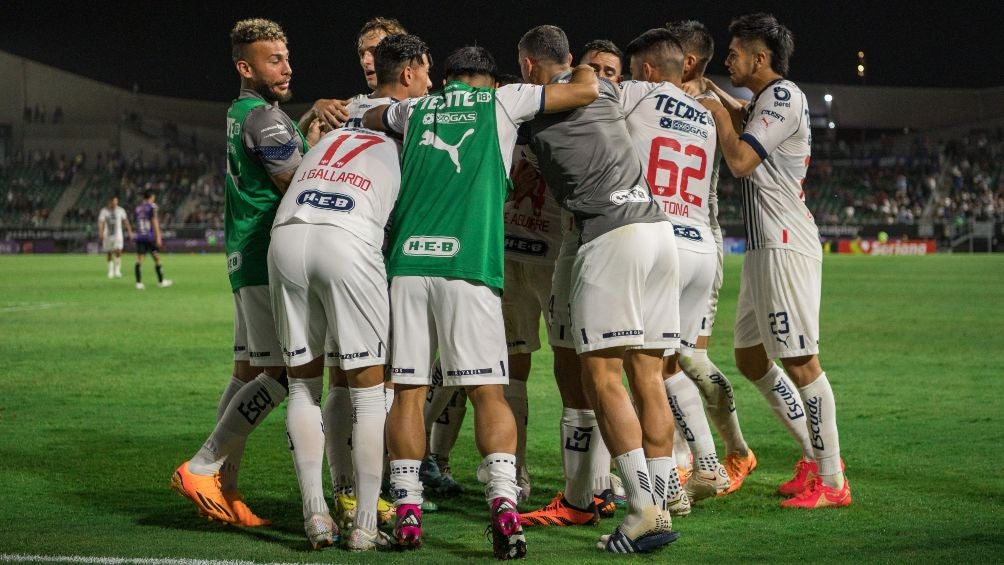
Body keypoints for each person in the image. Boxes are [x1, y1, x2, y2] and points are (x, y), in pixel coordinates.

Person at [363, 44, 598, 559]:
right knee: (490, 393)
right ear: (490, 80)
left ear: (446, 80)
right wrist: (579, 63)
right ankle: (504, 509)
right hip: (468, 265)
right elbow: (585, 88)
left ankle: (406, 510)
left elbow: (375, 110)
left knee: (408, 391)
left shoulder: (415, 109)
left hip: (407, 264)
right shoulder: (503, 101)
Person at [517, 24, 681, 553]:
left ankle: (641, 511)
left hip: (610, 234)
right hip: (660, 231)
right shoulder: (606, 88)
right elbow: (588, 77)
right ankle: (662, 495)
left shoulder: (526, 105)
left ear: (526, 67)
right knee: (648, 373)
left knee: (602, 375)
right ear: (571, 58)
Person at [269, 32, 432, 552]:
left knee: (301, 387)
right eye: (426, 73)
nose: (431, 84)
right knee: (367, 392)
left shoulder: (339, 113)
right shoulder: (419, 118)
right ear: (408, 74)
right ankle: (364, 524)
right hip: (349, 236)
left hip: (289, 230)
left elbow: (298, 148)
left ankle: (316, 515)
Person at [697, 12, 850, 508]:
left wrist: (716, 112)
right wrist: (711, 91)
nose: (728, 59)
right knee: (749, 355)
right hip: (765, 248)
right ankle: (811, 453)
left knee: (802, 361)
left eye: (735, 53)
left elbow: (741, 159)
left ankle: (832, 480)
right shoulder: (765, 99)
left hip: (785, 241)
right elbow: (743, 111)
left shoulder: (784, 96)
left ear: (761, 58)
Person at [171, 17, 309, 533]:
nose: (286, 67)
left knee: (247, 372)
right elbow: (295, 183)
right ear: (245, 67)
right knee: (281, 375)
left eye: (286, 56)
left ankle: (226, 488)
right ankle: (202, 466)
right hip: (261, 255)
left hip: (243, 253)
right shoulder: (265, 120)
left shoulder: (243, 113)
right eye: (274, 60)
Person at [620, 28, 734, 504]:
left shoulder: (636, 95)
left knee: (644, 367)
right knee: (671, 363)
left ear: (645, 70)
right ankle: (707, 466)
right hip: (700, 245)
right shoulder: (707, 115)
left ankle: (668, 486)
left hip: (660, 239)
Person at [665, 19, 757, 495]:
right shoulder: (678, 93)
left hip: (702, 236)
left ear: (688, 60)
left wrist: (727, 102)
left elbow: (743, 125)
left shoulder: (710, 102)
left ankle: (736, 449)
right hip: (666, 240)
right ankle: (686, 456)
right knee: (667, 356)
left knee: (689, 358)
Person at [133, 190, 171, 289]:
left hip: (140, 236)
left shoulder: (138, 208)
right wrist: (158, 236)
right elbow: (154, 221)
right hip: (150, 237)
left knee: (139, 260)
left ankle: (138, 283)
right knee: (157, 258)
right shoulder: (152, 207)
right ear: (151, 197)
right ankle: (161, 281)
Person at [98, 195, 132, 279]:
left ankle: (117, 270)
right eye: (114, 201)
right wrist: (101, 232)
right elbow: (101, 222)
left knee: (118, 251)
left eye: (116, 201)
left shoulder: (120, 210)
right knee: (109, 252)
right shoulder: (104, 211)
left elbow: (125, 221)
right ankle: (110, 271)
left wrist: (130, 231)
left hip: (118, 235)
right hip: (108, 234)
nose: (115, 203)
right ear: (110, 202)